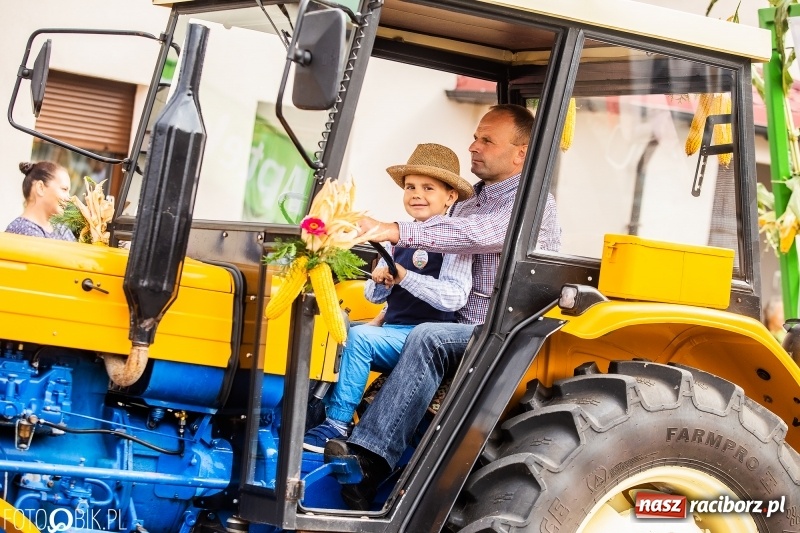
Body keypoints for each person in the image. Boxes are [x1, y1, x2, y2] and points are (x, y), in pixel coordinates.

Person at [324, 104, 561, 510]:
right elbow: (448, 231)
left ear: (521, 153)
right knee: (350, 329)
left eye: (487, 139)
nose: (474, 146)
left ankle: (373, 460)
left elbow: (472, 235)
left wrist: (394, 229)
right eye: (475, 136)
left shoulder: (531, 204)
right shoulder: (471, 201)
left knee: (428, 336)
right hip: (457, 321)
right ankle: (324, 426)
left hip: (503, 329)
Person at [303, 143, 474, 453]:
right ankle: (311, 413)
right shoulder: (397, 236)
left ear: (450, 197)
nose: (416, 194)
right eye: (410, 187)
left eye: (428, 187)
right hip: (393, 329)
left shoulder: (455, 241)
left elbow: (455, 297)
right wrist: (382, 282)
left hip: (424, 336)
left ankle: (338, 423)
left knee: (360, 339)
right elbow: (373, 293)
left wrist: (406, 277)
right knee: (331, 335)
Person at [5, 161, 76, 241]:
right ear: (40, 188)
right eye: (64, 189)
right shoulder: (22, 230)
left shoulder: (61, 229)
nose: (69, 199)